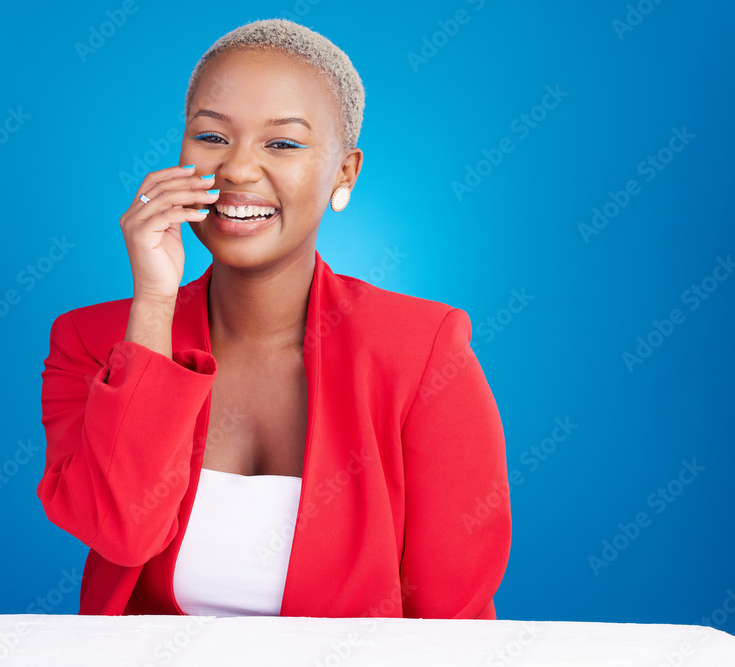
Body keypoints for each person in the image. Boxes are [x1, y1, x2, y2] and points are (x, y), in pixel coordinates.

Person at [37, 18, 511, 619]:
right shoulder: (92, 342)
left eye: (282, 143)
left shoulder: (422, 351)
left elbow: (454, 618)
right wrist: (153, 306)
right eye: (211, 136)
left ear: (345, 173)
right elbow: (122, 529)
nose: (237, 169)